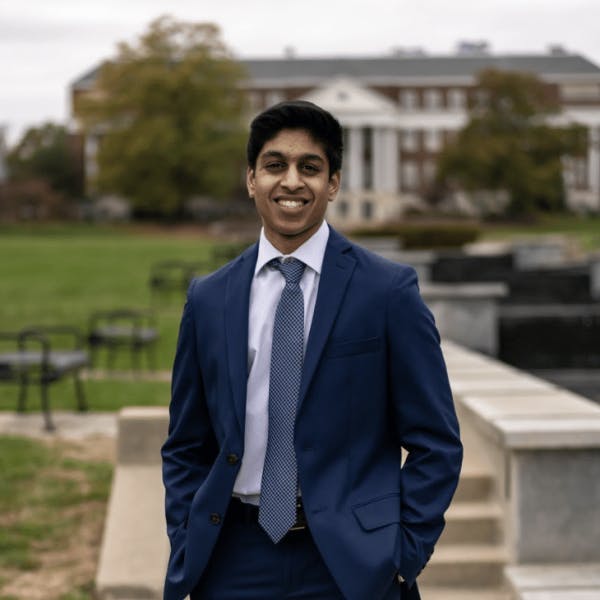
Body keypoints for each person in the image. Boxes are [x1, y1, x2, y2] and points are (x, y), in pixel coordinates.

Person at [161, 100, 463, 600]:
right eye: (275, 165)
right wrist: (185, 543)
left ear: (334, 183)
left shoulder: (387, 292)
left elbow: (437, 443)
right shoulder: (210, 298)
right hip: (232, 560)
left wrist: (402, 555)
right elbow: (186, 445)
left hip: (351, 567)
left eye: (311, 167)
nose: (292, 182)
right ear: (251, 179)